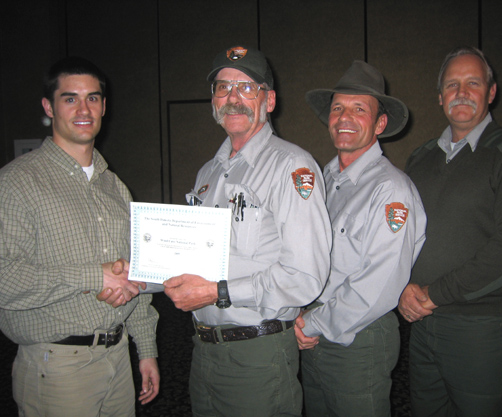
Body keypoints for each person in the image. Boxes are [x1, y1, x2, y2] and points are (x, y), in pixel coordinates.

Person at [163, 45, 332, 417]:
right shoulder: (208, 173)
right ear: (212, 101)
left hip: (257, 357)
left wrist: (216, 292)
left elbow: (304, 277)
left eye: (247, 88)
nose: (233, 98)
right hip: (203, 352)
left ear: (268, 100)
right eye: (223, 88)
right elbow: (192, 258)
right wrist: (137, 274)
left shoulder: (292, 167)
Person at [0, 56, 160, 416]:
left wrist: (146, 349)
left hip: (117, 359)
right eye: (70, 98)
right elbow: (4, 277)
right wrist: (93, 275)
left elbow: (135, 273)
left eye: (93, 98)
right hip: (56, 368)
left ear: (104, 106)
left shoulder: (115, 187)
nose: (83, 108)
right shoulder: (17, 183)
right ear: (49, 107)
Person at [398, 46, 502, 417]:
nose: (461, 92)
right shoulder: (419, 158)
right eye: (452, 84)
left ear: (491, 91)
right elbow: (400, 238)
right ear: (439, 97)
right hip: (422, 325)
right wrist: (401, 286)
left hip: (481, 330)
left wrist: (436, 293)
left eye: (473, 83)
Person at [296, 60, 427, 417]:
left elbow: (380, 281)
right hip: (314, 333)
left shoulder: (390, 189)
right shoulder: (324, 178)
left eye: (359, 109)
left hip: (359, 341)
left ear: (379, 123)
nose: (344, 117)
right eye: (338, 108)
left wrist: (313, 322)